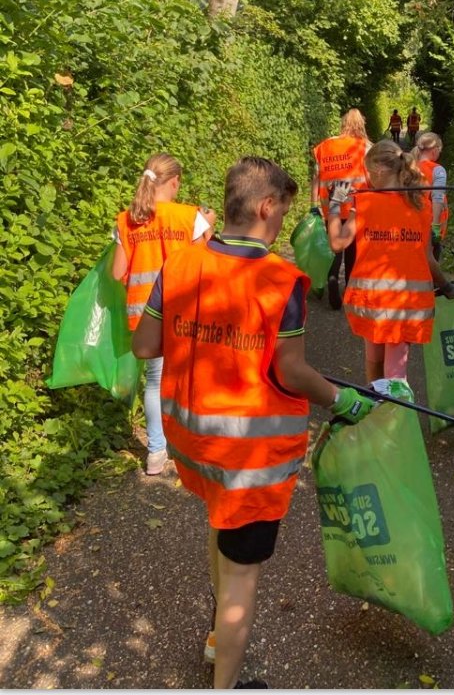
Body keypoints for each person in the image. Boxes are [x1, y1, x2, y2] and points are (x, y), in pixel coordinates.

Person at [132, 156, 374, 690]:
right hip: (250, 459)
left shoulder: (180, 265)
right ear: (266, 206)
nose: (283, 221)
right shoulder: (280, 281)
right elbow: (291, 372)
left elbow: (146, 345)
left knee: (221, 528)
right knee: (242, 578)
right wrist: (341, 399)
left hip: (195, 447)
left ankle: (217, 639)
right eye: (283, 211)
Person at [112, 153, 216, 475]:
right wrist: (209, 227)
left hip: (145, 316)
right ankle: (192, 443)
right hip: (184, 312)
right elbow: (206, 264)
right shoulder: (190, 217)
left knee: (155, 381)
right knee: (192, 376)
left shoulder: (126, 220)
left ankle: (156, 452)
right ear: (175, 182)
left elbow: (117, 273)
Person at [327, 139, 454, 386]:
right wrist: (446, 286)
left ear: (378, 170)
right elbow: (428, 259)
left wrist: (335, 205)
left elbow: (337, 243)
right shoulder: (420, 206)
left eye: (368, 172)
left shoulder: (364, 203)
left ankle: (376, 405)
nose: (368, 179)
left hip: (371, 302)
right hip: (406, 305)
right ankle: (396, 409)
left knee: (374, 361)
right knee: (396, 375)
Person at [311, 108, 372, 310]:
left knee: (334, 247)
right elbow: (371, 178)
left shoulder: (325, 146)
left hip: (331, 207)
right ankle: (350, 290)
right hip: (356, 207)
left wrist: (313, 205)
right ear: (361, 124)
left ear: (343, 123)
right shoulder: (365, 147)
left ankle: (332, 277)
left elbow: (316, 177)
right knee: (353, 249)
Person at [413, 132, 449, 261]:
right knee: (431, 261)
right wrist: (436, 227)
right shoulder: (438, 170)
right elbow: (437, 198)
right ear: (434, 150)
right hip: (430, 225)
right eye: (440, 150)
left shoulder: (411, 167)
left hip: (412, 225)